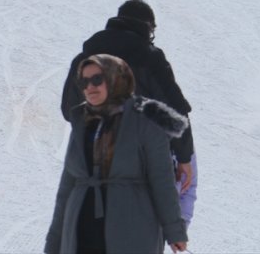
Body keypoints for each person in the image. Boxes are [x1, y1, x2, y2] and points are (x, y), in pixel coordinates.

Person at [45, 54, 189, 254]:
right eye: (84, 81)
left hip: (130, 229)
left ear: (116, 79)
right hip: (81, 231)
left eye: (97, 79)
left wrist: (174, 230)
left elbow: (162, 180)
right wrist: (54, 243)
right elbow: (67, 186)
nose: (89, 87)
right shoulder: (82, 121)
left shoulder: (144, 121)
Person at [61, 0, 195, 196]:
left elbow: (68, 109)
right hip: (141, 160)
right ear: (148, 27)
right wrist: (184, 157)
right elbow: (175, 110)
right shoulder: (150, 57)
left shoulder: (85, 58)